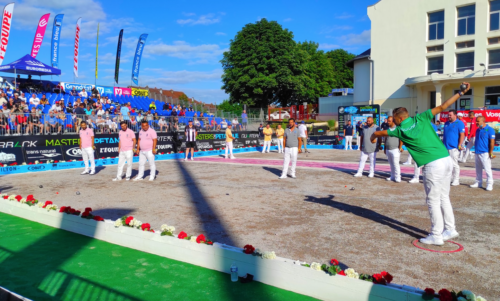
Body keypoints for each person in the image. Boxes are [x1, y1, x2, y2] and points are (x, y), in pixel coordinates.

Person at [369, 82, 470, 246]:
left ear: (400, 118)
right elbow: (444, 106)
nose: (393, 122)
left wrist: (373, 136)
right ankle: (450, 229)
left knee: (433, 201)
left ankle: (436, 235)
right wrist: (460, 93)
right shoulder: (421, 117)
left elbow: (380, 132)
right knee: (444, 197)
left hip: (433, 165)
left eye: (394, 119)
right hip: (446, 159)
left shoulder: (400, 130)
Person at [470, 116, 495, 191]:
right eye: (476, 121)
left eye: (478, 121)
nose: (476, 123)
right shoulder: (478, 130)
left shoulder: (490, 130)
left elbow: (492, 142)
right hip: (477, 152)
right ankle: (478, 182)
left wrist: (490, 152)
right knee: (478, 169)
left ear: (483, 121)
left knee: (487, 169)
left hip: (485, 152)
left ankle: (490, 184)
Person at [443, 110, 465, 186]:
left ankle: (456, 180)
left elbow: (462, 135)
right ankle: (448, 178)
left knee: (454, 164)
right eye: (448, 115)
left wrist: (459, 144)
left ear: (455, 115)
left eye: (450, 115)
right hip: (445, 147)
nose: (449, 116)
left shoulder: (459, 123)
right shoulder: (446, 123)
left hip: (454, 147)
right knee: (446, 164)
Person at [384, 117, 402, 182]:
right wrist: (385, 148)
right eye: (388, 121)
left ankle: (398, 177)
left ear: (393, 121)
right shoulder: (388, 129)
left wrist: (400, 147)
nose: (388, 122)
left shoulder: (397, 129)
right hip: (388, 149)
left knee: (396, 164)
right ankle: (392, 176)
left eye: (389, 121)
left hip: (395, 149)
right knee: (391, 164)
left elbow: (401, 139)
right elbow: (386, 138)